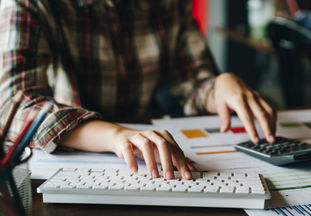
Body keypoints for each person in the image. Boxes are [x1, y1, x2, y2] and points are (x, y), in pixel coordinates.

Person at [0, 0, 276, 180]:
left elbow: (192, 80)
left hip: (153, 160)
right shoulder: (29, 4)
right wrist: (117, 136)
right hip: (71, 158)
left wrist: (219, 86)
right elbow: (14, 104)